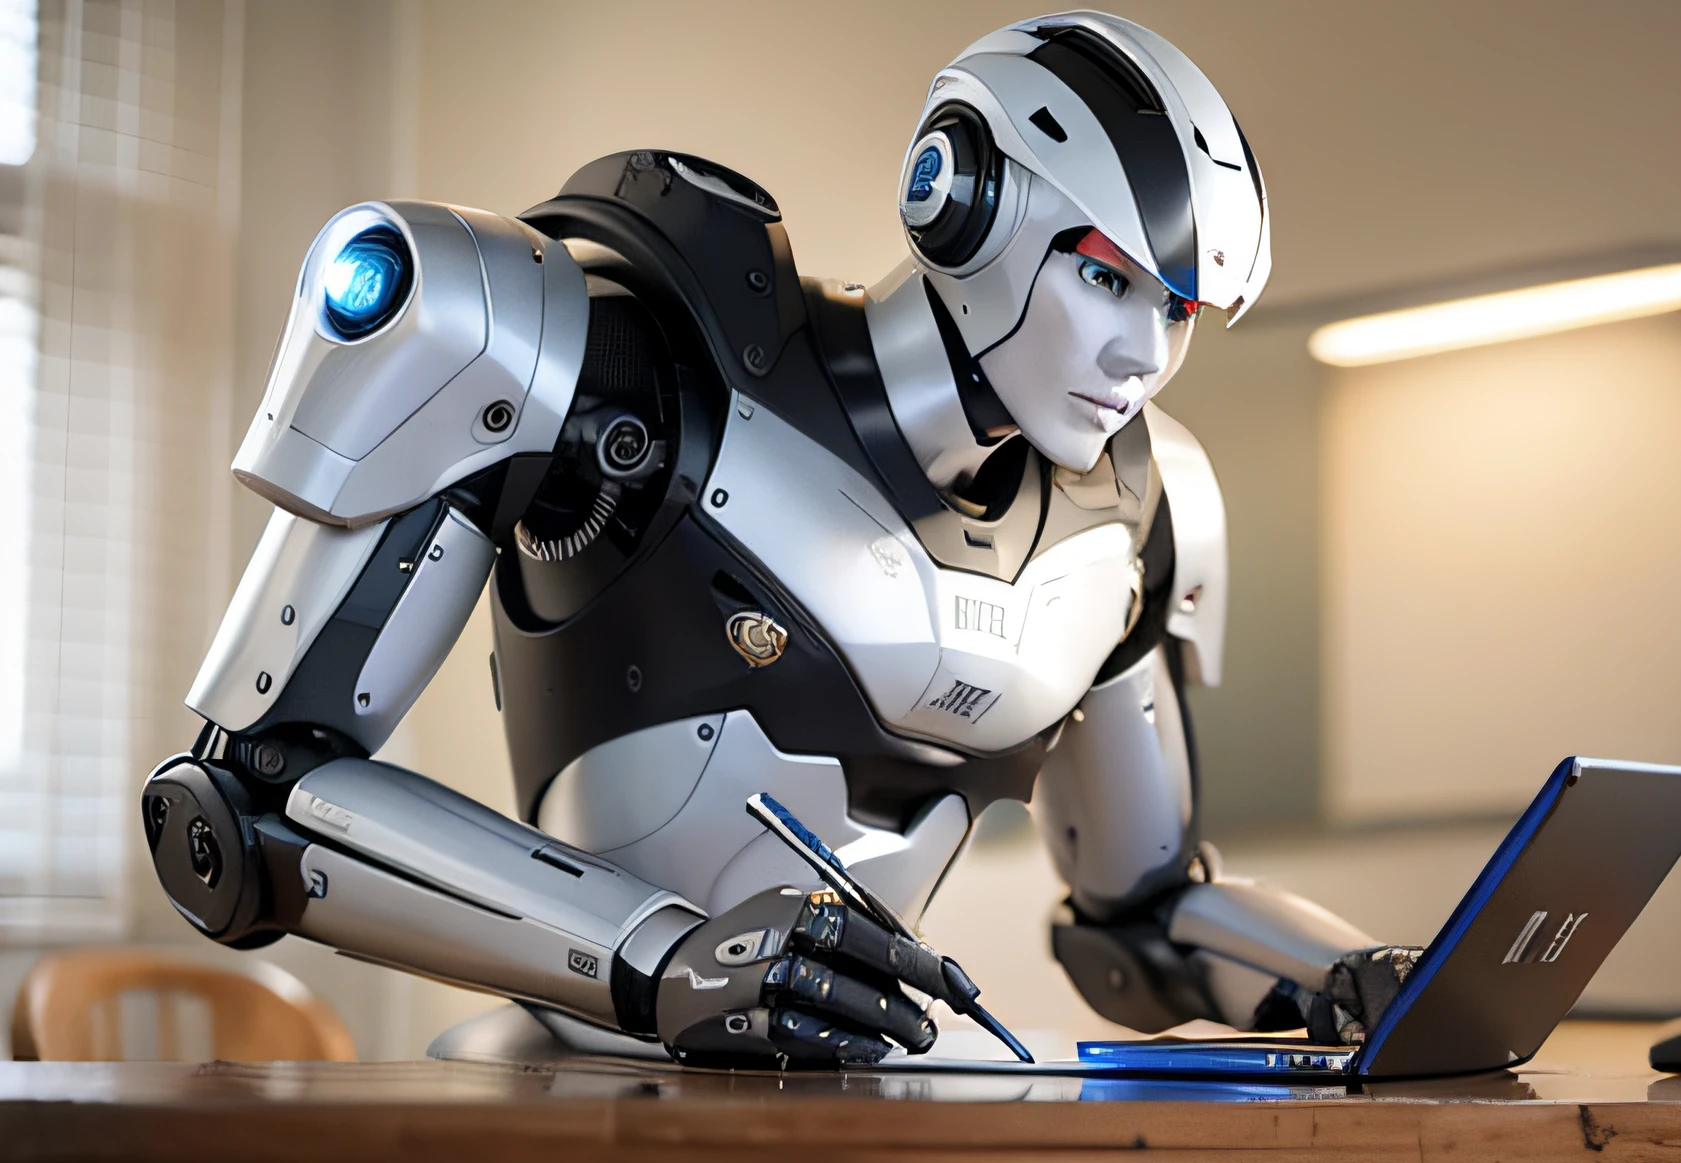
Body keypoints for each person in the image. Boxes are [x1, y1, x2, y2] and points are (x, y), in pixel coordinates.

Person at [143, 10, 1414, 1067]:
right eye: (1104, 277)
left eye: (1178, 307)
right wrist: (661, 958)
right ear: (962, 201)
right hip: (583, 1085)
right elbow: (244, 800)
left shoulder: (1142, 507)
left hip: (871, 1090)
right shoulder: (619, 360)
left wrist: (1362, 981)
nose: (1144, 355)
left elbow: (1135, 921)